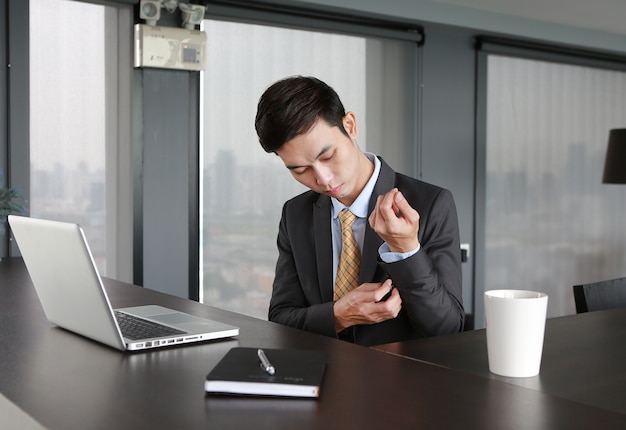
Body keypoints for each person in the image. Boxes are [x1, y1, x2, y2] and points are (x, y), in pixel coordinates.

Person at [255, 76, 464, 346]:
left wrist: (406, 250)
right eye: (300, 170)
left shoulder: (431, 203)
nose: (324, 179)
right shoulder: (296, 214)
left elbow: (447, 329)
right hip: (319, 379)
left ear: (350, 125)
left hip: (402, 382)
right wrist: (338, 315)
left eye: (328, 157)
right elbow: (282, 319)